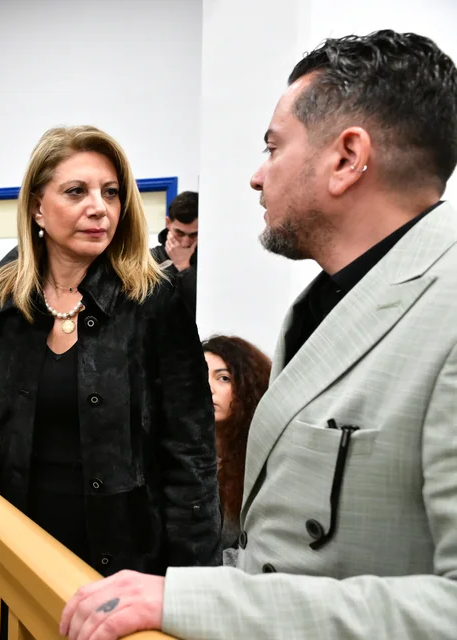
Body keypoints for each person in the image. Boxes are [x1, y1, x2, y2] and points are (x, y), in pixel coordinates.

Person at [60, 30, 457, 640]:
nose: (255, 176)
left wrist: (198, 601)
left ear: (347, 158)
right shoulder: (328, 301)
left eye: (273, 148)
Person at [0, 126, 220, 582]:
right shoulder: (2, 300)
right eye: (76, 191)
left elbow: (190, 451)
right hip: (19, 541)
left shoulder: (154, 302)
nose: (99, 207)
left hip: (125, 558)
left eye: (111, 192)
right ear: (37, 207)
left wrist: (193, 584)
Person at [201, 335, 271, 558]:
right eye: (199, 376)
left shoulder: (265, 460)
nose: (207, 387)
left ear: (247, 387)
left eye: (223, 378)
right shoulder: (175, 455)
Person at [150, 191, 198, 316]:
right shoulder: (150, 258)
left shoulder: (209, 261)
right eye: (179, 233)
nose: (185, 243)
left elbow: (203, 309)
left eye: (194, 235)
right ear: (168, 223)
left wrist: (184, 267)